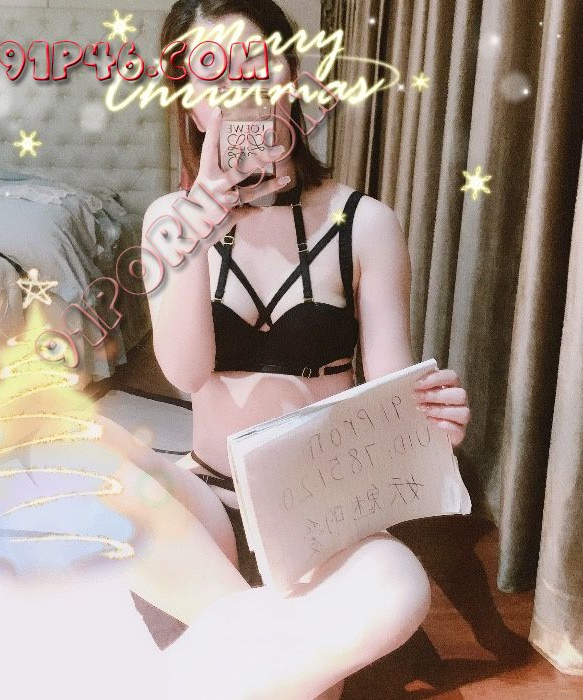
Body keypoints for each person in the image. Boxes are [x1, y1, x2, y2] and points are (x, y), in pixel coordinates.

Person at [130, 1, 471, 698]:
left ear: (291, 76)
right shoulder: (169, 220)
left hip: (322, 517)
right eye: (211, 69)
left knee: (399, 585)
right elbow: (187, 373)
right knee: (96, 471)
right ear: (188, 101)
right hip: (207, 500)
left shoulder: (366, 223)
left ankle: (224, 649)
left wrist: (434, 425)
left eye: (258, 63)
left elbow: (391, 394)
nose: (240, 86)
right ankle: (281, 645)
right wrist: (196, 232)